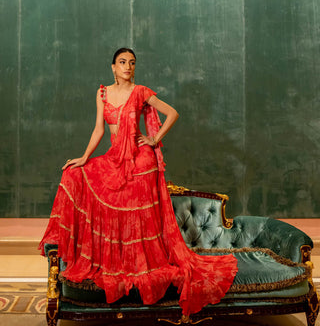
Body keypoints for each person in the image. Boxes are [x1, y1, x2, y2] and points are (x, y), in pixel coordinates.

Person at [39, 47, 237, 316]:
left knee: (137, 217)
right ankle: (113, 261)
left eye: (132, 63)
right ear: (112, 67)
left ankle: (139, 265)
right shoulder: (102, 93)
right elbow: (99, 128)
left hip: (141, 161)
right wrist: (85, 156)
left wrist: (154, 140)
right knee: (73, 173)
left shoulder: (141, 92)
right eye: (122, 62)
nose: (127, 67)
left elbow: (173, 113)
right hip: (114, 158)